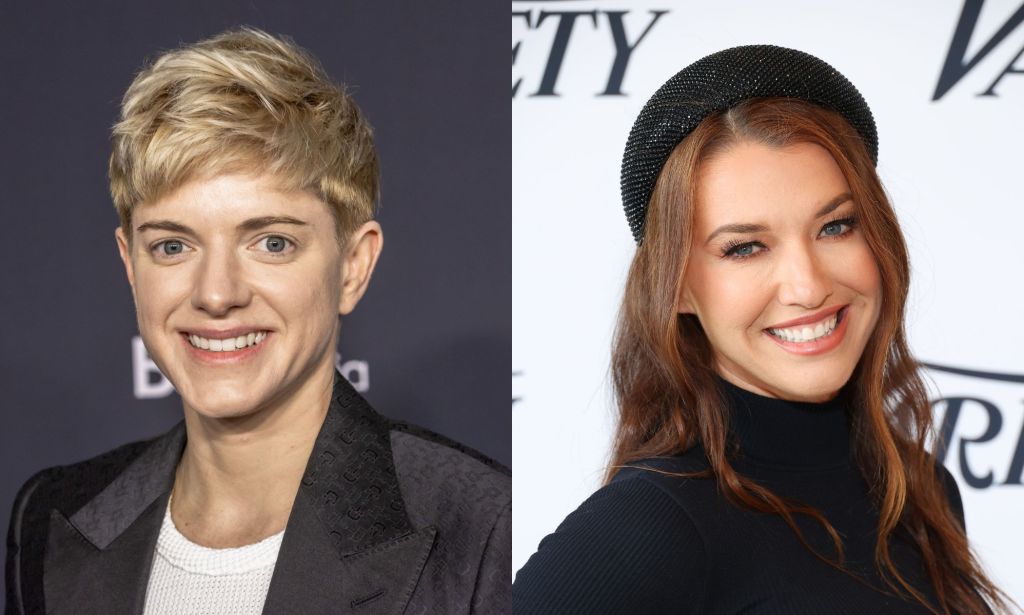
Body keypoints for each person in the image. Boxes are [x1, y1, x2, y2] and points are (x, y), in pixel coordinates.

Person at [5, 27, 510, 615]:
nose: (217, 294)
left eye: (271, 243)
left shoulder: (481, 530)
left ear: (353, 265)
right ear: (130, 265)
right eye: (172, 246)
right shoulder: (52, 516)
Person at [513, 45, 1009, 614]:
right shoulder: (652, 524)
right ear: (675, 287)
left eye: (836, 226)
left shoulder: (920, 488)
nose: (806, 285)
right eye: (745, 247)